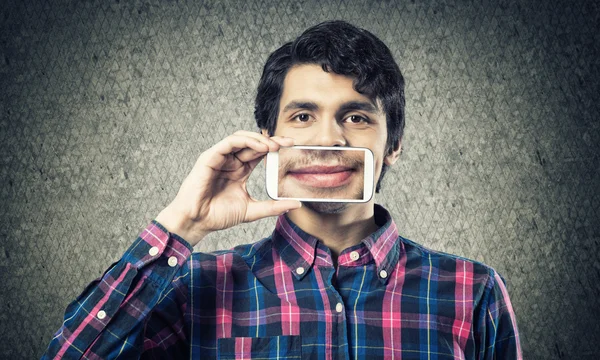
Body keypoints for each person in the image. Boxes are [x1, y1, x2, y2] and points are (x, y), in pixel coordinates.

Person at [42, 21, 522, 359]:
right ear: (267, 139)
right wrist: (183, 223)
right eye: (302, 116)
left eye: (355, 117)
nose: (327, 140)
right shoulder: (193, 288)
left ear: (392, 144)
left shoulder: (473, 293)